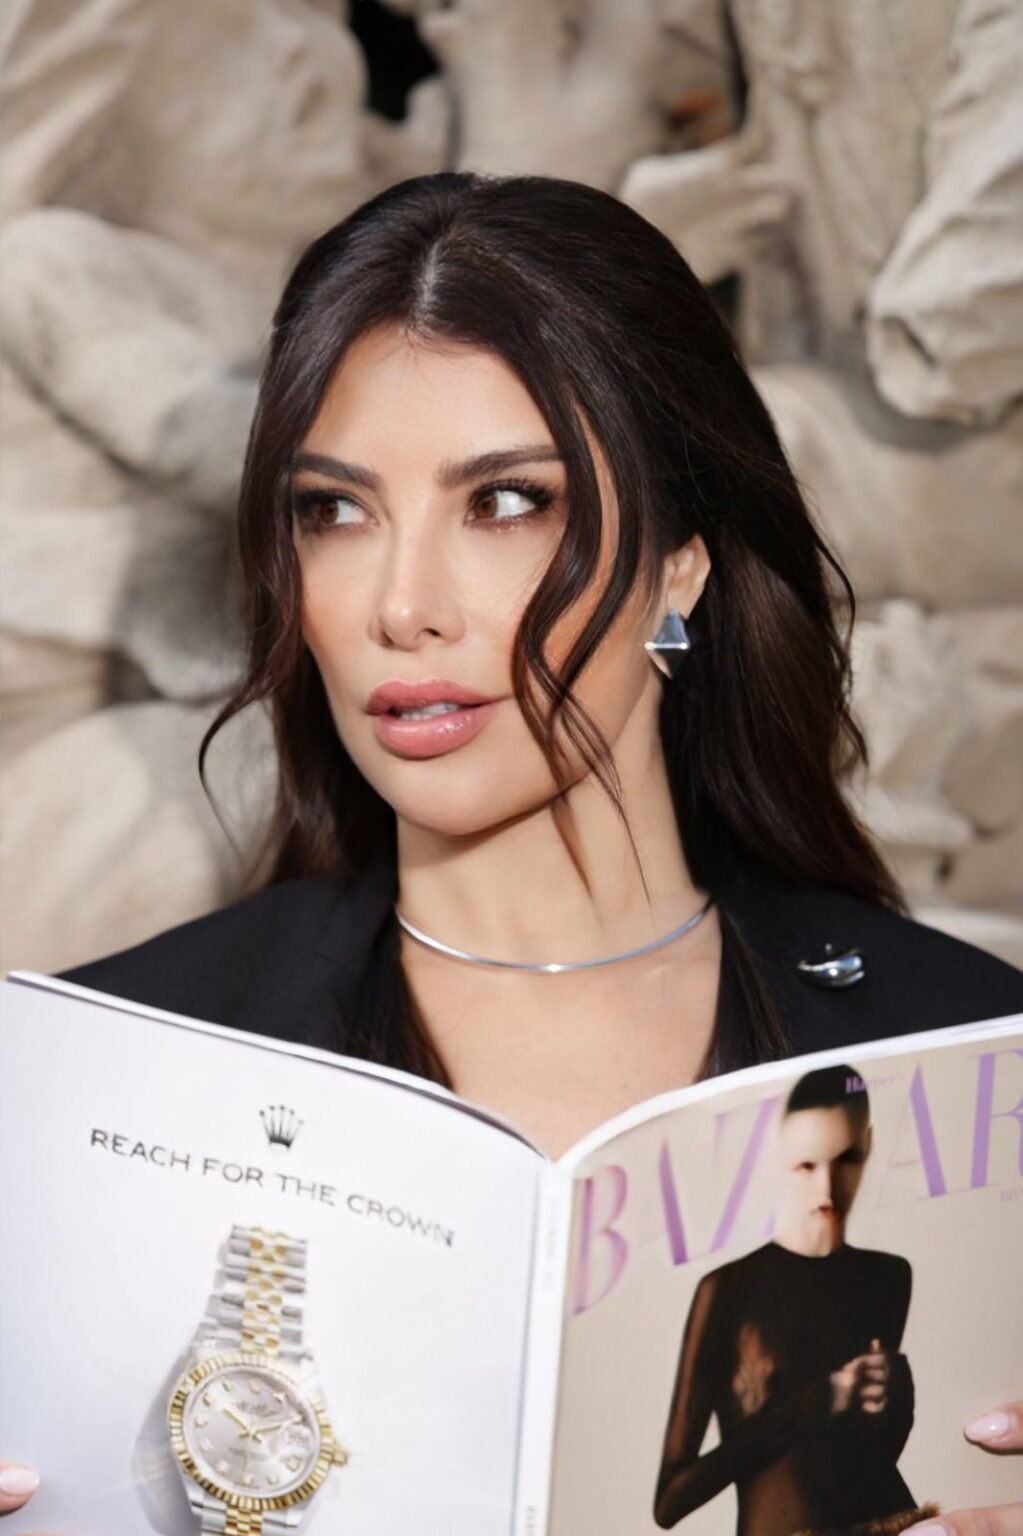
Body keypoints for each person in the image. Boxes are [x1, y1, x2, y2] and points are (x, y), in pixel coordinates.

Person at [3, 173, 1021, 1529]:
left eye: (503, 502)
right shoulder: (97, 1081)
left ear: (679, 566)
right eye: (333, 511)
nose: (400, 604)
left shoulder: (967, 1051)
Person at [654, 1066, 918, 1534]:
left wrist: (897, 1404)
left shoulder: (890, 1276)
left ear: (870, 1145)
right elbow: (670, 1501)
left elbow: (863, 1457)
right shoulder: (728, 1290)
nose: (827, 1189)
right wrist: (817, 1400)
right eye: (807, 1166)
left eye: (848, 1159)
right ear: (779, 1158)